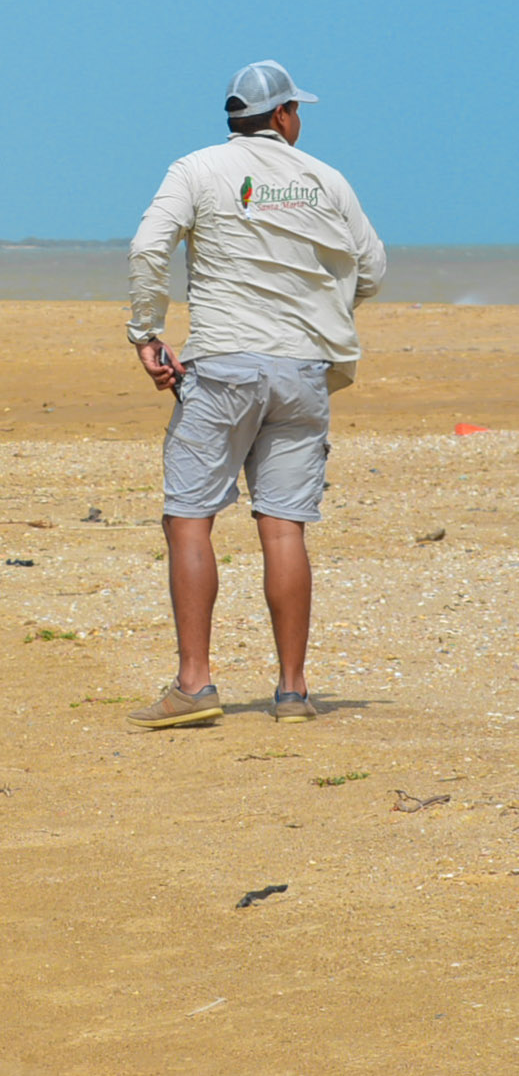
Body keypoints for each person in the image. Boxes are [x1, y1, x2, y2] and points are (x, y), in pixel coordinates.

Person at [124, 62, 386, 731]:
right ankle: (292, 692)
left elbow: (149, 246)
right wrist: (320, 310)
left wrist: (146, 333)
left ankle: (193, 683)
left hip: (221, 368)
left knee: (188, 516)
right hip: (301, 373)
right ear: (280, 116)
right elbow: (372, 268)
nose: (299, 120)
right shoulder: (324, 178)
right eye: (298, 109)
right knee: (282, 526)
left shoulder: (195, 168)